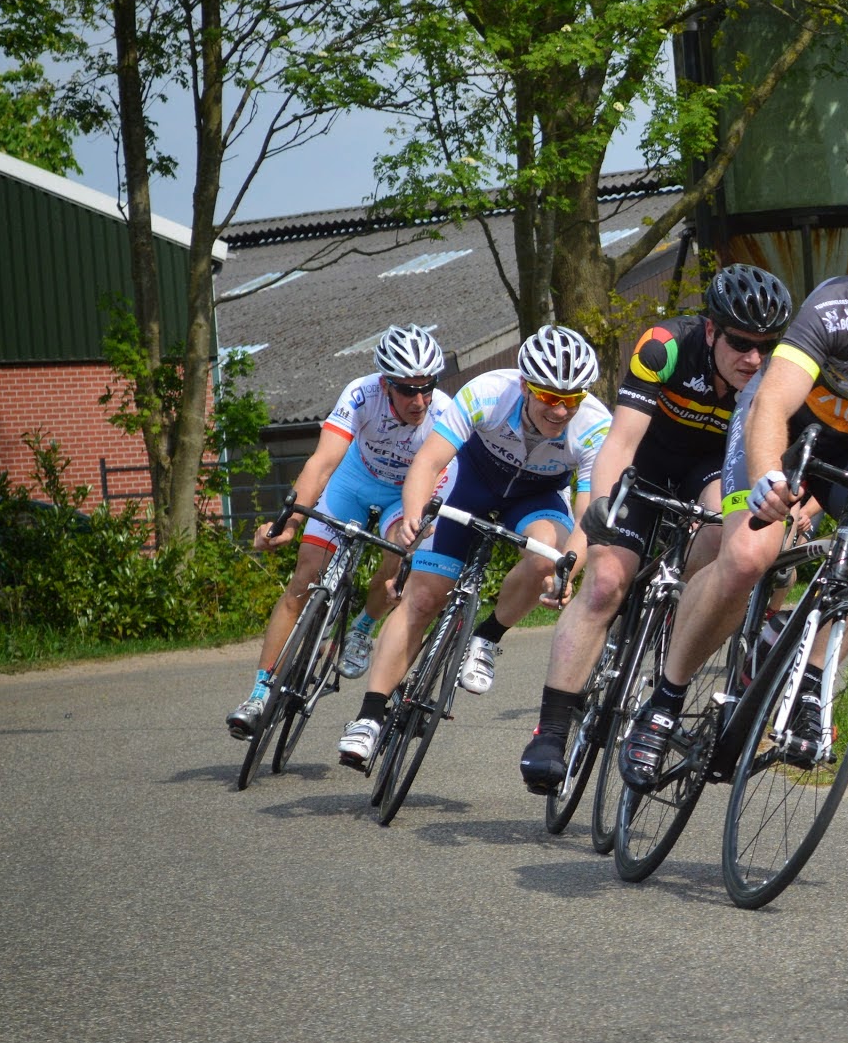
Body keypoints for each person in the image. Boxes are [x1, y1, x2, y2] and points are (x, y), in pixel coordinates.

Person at [616, 201, 848, 785]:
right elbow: (771, 403)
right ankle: (664, 701)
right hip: (786, 432)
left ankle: (809, 687)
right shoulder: (840, 307)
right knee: (746, 556)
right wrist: (770, 477)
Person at [517, 264, 793, 792]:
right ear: (711, 330)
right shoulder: (663, 346)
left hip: (712, 469)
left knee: (720, 530)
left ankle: (678, 610)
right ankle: (552, 729)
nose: (753, 358)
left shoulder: (773, 374)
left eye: (766, 345)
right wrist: (599, 507)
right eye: (740, 342)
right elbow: (618, 442)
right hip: (648, 461)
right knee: (603, 583)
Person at [336, 326, 612, 768]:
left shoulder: (596, 425)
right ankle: (368, 717)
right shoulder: (487, 392)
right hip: (471, 483)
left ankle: (485, 638)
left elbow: (589, 515)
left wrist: (568, 570)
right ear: (525, 385)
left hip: (537, 497)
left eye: (572, 400)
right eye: (549, 397)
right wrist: (413, 514)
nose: (561, 411)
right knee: (424, 596)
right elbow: (428, 461)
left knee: (548, 558)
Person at [226, 326, 451, 739]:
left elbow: (437, 481)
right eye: (406, 390)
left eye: (427, 387)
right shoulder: (361, 394)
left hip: (405, 495)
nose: (419, 400)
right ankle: (260, 692)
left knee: (395, 559)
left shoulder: (444, 414)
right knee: (304, 578)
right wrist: (290, 522)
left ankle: (363, 627)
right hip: (352, 481)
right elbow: (322, 463)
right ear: (386, 384)